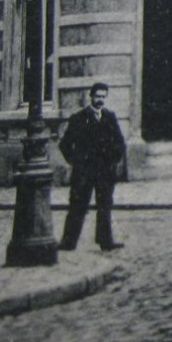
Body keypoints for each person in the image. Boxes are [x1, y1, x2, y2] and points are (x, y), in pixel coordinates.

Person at [58, 82, 127, 252]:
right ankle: (68, 242)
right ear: (91, 96)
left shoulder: (110, 117)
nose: (100, 100)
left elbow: (120, 143)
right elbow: (65, 144)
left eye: (103, 97)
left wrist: (113, 161)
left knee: (104, 206)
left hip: (104, 171)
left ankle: (105, 241)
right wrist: (76, 162)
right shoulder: (79, 118)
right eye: (98, 96)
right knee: (77, 206)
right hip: (84, 172)